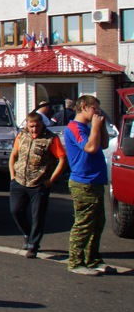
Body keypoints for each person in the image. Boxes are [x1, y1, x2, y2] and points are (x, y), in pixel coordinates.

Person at [64, 95, 112, 276]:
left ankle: (92, 259)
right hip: (83, 182)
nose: (97, 113)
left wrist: (101, 128)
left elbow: (104, 144)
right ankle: (75, 261)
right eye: (95, 110)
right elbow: (90, 148)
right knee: (84, 224)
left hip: (96, 180)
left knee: (97, 224)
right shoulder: (75, 127)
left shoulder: (88, 127)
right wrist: (96, 127)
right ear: (84, 107)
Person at [8, 111, 67, 258]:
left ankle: (33, 245)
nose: (35, 129)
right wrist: (12, 176)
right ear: (27, 125)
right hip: (19, 181)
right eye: (32, 126)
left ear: (42, 125)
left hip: (39, 183)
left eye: (37, 126)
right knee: (16, 210)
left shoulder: (51, 139)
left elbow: (62, 160)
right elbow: (14, 155)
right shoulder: (21, 136)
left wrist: (51, 180)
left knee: (38, 215)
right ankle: (27, 234)